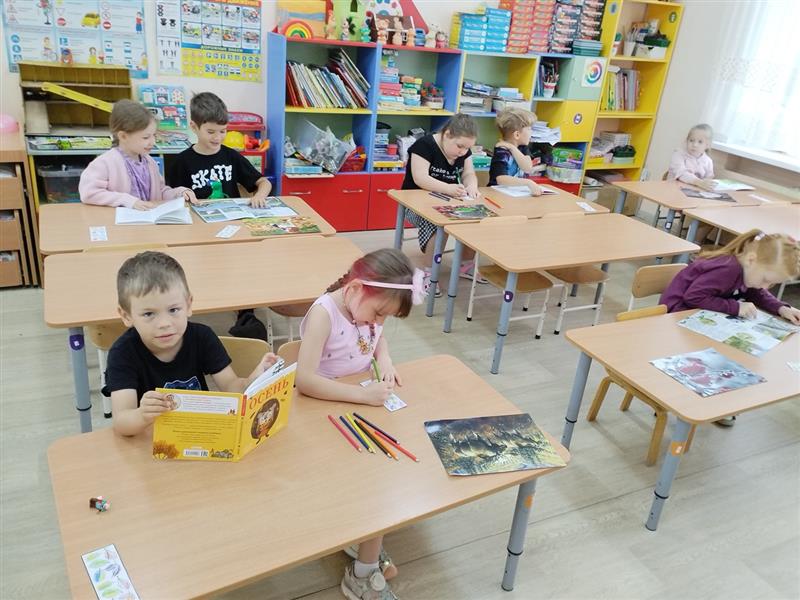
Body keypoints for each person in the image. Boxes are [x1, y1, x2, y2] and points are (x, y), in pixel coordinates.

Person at [297, 248, 425, 600]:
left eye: (387, 317)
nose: (379, 322)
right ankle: (362, 573)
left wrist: (386, 359)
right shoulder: (324, 314)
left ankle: (365, 542)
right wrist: (363, 397)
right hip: (322, 410)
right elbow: (304, 381)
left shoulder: (366, 308)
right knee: (377, 481)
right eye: (379, 313)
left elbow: (377, 337)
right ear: (354, 289)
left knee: (388, 466)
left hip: (359, 402)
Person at [105, 251, 278, 436]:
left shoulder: (201, 337)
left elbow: (230, 386)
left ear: (188, 305)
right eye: (148, 314)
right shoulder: (123, 353)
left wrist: (253, 380)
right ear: (126, 316)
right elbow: (122, 422)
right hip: (150, 439)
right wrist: (141, 415)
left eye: (173, 310)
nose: (164, 323)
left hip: (199, 433)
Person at [661, 230, 800, 425]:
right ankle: (695, 399)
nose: (766, 286)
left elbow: (756, 292)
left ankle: (716, 398)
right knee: (730, 353)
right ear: (751, 259)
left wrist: (780, 308)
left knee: (743, 351)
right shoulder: (728, 269)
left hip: (703, 314)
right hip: (678, 314)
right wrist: (735, 307)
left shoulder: (747, 269)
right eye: (766, 279)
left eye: (772, 283)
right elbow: (693, 297)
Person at [401, 113, 484, 293]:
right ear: (447, 135)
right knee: (440, 223)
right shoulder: (423, 146)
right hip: (415, 204)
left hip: (450, 200)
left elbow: (469, 173)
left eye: (467, 148)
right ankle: (428, 273)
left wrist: (472, 185)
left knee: (476, 217)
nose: (462, 152)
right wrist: (448, 188)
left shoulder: (463, 150)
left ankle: (465, 265)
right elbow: (420, 178)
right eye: (460, 146)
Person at [79, 100, 195, 209]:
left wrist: (179, 193)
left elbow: (160, 192)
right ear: (123, 136)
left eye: (154, 135)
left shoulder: (149, 162)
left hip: (147, 219)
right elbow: (89, 193)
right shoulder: (105, 163)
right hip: (119, 221)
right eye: (146, 137)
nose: (152, 142)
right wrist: (127, 200)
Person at [167, 92, 272, 207]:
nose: (217, 138)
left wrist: (260, 196)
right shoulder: (181, 162)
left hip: (231, 214)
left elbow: (264, 182)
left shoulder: (231, 156)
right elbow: (172, 197)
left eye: (223, 131)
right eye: (211, 132)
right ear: (194, 127)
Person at [488, 107, 542, 195]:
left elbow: (527, 168)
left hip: (515, 193)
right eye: (529, 129)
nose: (531, 133)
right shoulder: (501, 152)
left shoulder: (522, 147)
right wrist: (528, 182)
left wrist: (512, 148)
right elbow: (501, 179)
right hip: (497, 193)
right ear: (517, 135)